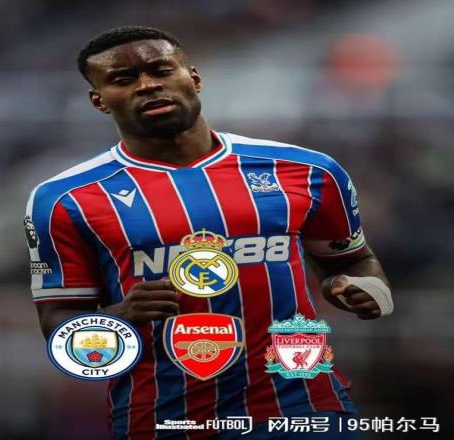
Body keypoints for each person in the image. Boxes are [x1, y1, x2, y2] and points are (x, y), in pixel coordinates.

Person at [25, 26, 392, 439]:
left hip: (304, 405)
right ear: (100, 101)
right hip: (163, 420)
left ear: (194, 78)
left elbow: (353, 261)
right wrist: (119, 316)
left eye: (161, 70)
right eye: (123, 79)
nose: (147, 86)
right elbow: (61, 333)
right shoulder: (65, 199)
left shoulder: (306, 171)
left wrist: (363, 288)